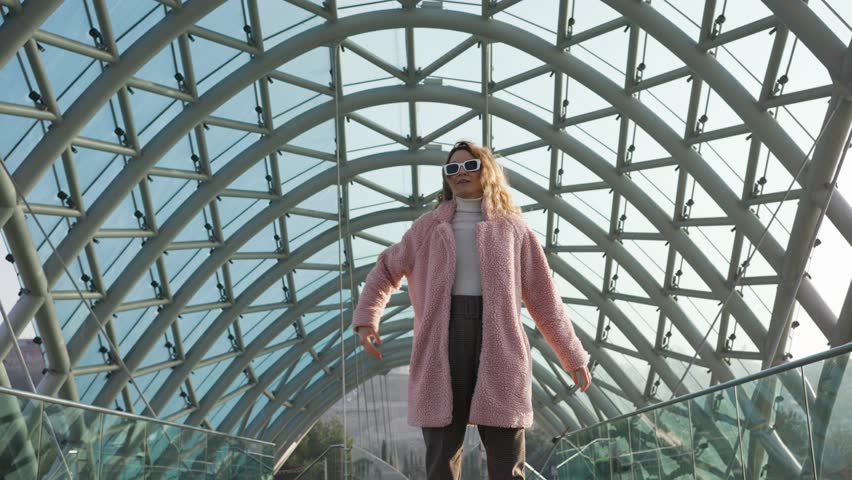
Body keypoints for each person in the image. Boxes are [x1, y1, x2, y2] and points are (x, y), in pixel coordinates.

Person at [351, 140, 591, 479]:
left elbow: (544, 298)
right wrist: (367, 318)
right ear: (446, 177)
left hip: (500, 344)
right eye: (452, 168)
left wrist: (572, 355)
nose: (460, 173)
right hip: (442, 343)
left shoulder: (514, 230)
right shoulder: (427, 228)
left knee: (507, 459)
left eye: (470, 165)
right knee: (441, 458)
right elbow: (386, 270)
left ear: (486, 171)